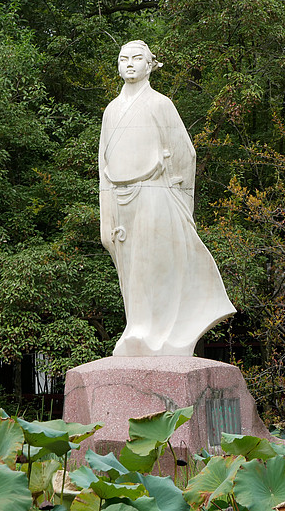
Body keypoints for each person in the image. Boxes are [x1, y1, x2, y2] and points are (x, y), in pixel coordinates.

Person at [99, 40, 236, 356]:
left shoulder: (160, 104)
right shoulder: (111, 111)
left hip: (154, 192)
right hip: (120, 198)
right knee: (129, 267)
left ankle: (155, 332)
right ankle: (136, 327)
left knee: (153, 264)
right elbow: (102, 166)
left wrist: (175, 192)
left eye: (137, 58)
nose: (129, 63)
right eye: (123, 58)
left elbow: (185, 153)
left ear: (150, 65)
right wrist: (106, 214)